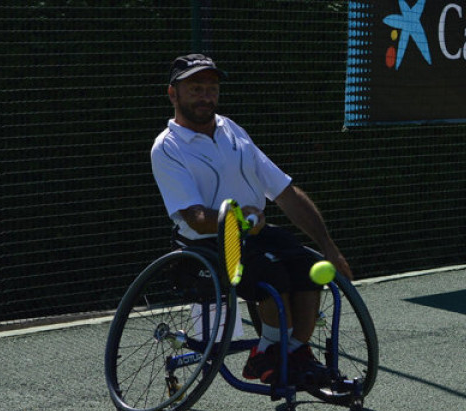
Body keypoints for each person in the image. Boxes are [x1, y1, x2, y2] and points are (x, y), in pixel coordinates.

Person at [151, 53, 352, 385]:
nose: (205, 96)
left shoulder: (232, 130)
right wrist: (238, 217)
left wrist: (328, 246)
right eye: (195, 88)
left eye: (211, 88)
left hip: (254, 233)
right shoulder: (168, 148)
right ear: (173, 93)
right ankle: (268, 356)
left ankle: (296, 352)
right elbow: (195, 216)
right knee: (271, 276)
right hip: (206, 244)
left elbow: (284, 191)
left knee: (305, 267)